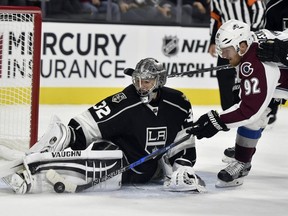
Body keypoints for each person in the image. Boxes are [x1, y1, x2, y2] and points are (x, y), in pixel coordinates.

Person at [2, 58, 206, 194]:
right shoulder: (125, 101)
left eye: (147, 82)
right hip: (124, 166)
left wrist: (182, 166)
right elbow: (85, 126)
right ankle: (33, 176)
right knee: (104, 155)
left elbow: (184, 140)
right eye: (138, 81)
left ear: (159, 81)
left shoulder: (178, 103)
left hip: (154, 172)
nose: (140, 86)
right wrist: (69, 135)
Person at [187, 19, 288, 188]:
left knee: (253, 115)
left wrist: (216, 120)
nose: (223, 56)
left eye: (226, 51)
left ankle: (242, 158)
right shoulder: (250, 43)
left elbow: (248, 111)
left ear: (241, 46)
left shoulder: (255, 64)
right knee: (257, 114)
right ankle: (243, 159)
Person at [209, 0, 265, 110]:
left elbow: (260, 11)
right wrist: (212, 41)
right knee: (223, 74)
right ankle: (228, 109)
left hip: (246, 41)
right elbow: (215, 18)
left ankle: (259, 107)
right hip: (227, 42)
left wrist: (251, 35)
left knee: (253, 72)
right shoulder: (217, 1)